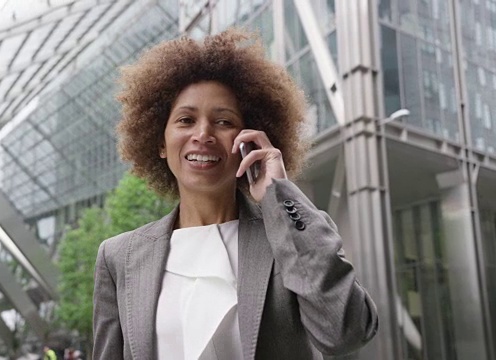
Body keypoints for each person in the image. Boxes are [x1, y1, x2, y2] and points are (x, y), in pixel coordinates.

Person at [93, 28, 379, 359]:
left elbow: (346, 332)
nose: (203, 134)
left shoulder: (288, 236)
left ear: (249, 139)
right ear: (160, 142)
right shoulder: (118, 257)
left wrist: (279, 193)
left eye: (224, 122)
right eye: (186, 120)